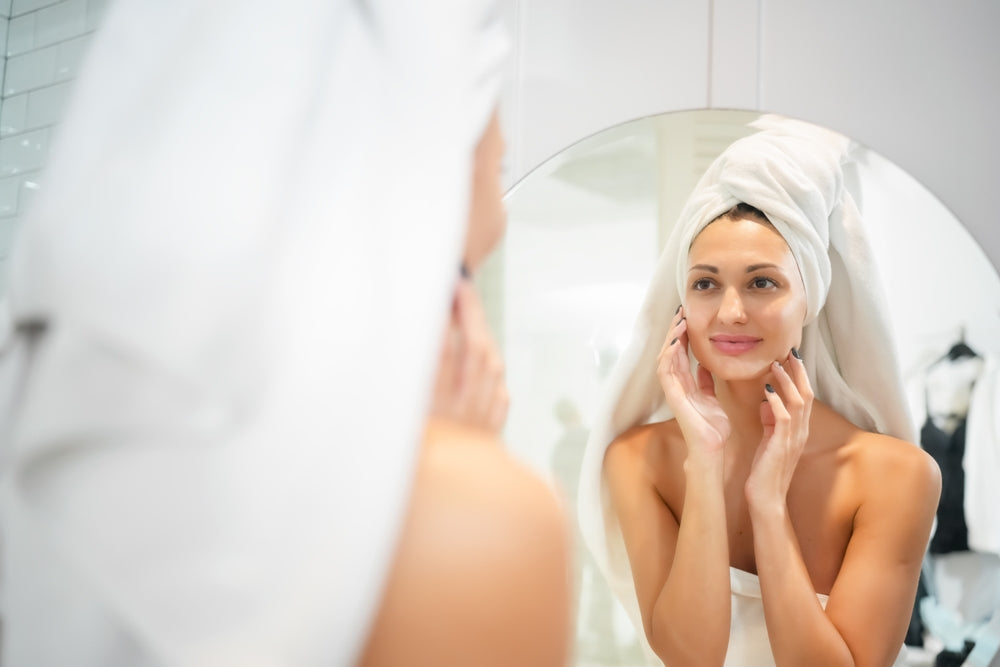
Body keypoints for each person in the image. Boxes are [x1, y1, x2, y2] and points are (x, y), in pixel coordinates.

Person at [0, 1, 570, 665]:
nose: (498, 208)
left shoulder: (54, 444)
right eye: (493, 161)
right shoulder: (480, 521)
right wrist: (460, 461)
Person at [577, 116, 942, 666]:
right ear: (682, 308)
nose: (730, 312)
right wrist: (704, 462)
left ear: (809, 304)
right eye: (705, 283)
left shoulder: (896, 476)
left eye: (762, 282)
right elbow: (692, 657)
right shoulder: (638, 461)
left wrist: (768, 503)